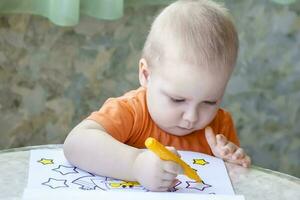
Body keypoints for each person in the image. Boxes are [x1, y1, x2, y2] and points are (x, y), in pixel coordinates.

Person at [63, 0, 251, 192]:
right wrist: (135, 164)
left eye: (210, 102)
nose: (191, 117)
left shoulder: (220, 126)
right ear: (146, 75)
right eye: (178, 100)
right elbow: (75, 144)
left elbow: (240, 186)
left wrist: (231, 164)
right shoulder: (131, 112)